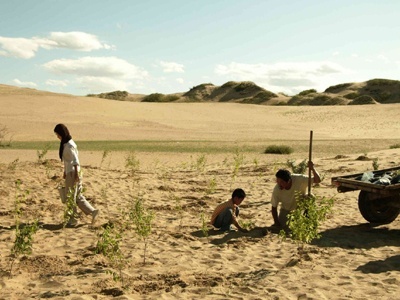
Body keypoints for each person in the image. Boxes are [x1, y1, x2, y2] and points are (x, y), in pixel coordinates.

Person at [54, 124, 99, 226]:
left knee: (70, 196)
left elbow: (75, 161)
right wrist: (65, 172)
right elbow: (67, 161)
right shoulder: (66, 144)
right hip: (71, 172)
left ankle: (72, 219)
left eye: (58, 134)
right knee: (77, 196)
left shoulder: (69, 145)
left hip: (74, 173)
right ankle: (93, 212)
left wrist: (75, 175)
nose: (57, 137)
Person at [270, 161, 321, 231]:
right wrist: (276, 222)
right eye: (278, 182)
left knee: (310, 196)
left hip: (300, 206)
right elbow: (274, 207)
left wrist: (312, 168)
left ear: (288, 181)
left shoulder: (299, 179)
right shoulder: (277, 190)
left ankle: (307, 218)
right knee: (285, 228)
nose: (279, 184)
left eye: (281, 182)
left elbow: (317, 180)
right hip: (286, 210)